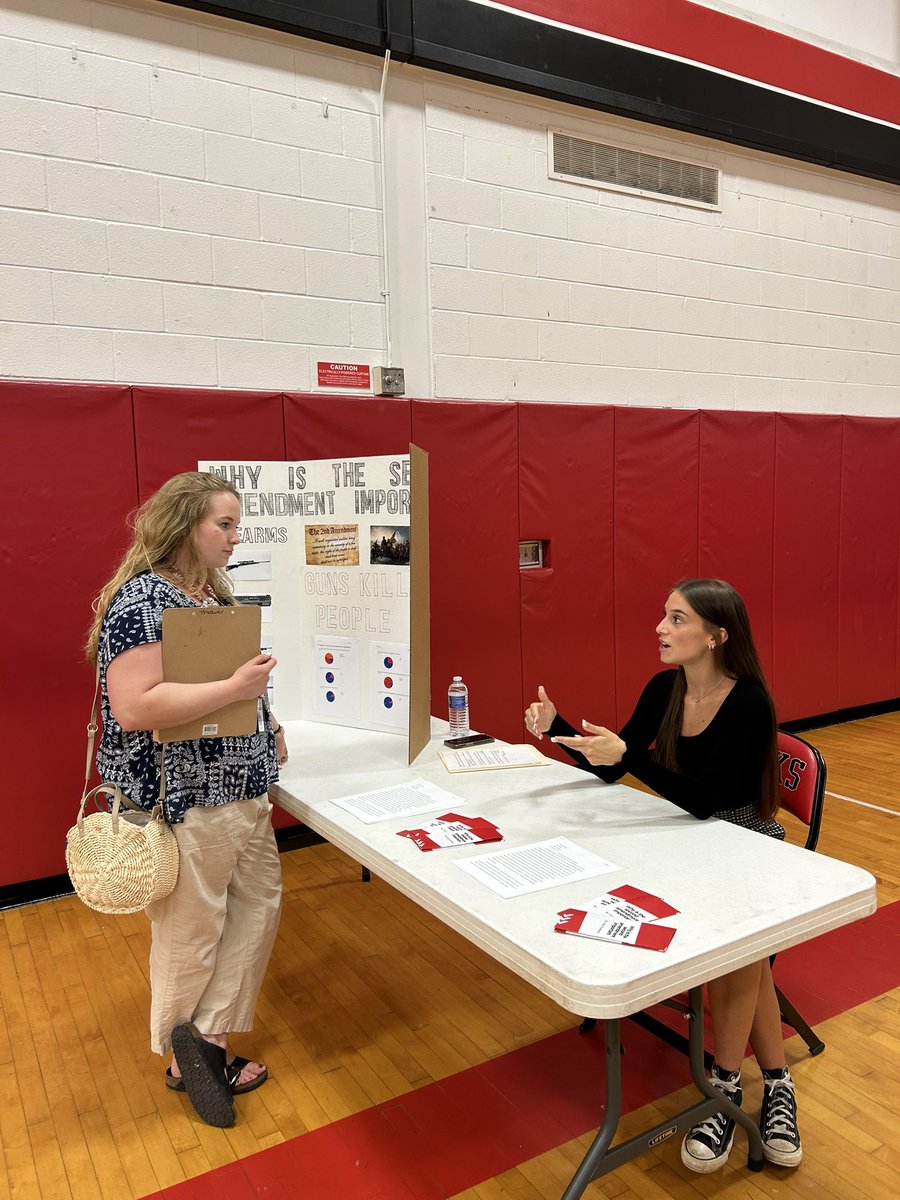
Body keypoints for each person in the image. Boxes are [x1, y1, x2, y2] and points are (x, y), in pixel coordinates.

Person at [524, 578, 802, 1175]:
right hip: (690, 837)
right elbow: (614, 765)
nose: (661, 628)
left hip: (744, 842)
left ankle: (725, 1087)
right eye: (664, 616)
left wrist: (628, 757)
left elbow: (705, 800)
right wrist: (558, 728)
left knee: (738, 948)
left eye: (677, 619)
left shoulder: (748, 700)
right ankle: (776, 1083)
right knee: (748, 957)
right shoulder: (664, 687)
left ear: (716, 635)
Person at [85, 471, 289, 1129]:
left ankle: (204, 1039)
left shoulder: (208, 593)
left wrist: (270, 722)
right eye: (223, 524)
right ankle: (191, 1054)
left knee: (257, 906)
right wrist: (234, 689)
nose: (236, 537)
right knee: (192, 928)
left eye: (236, 524)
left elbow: (239, 685)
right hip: (191, 795)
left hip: (244, 784)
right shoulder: (142, 602)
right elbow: (135, 705)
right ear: (183, 525)